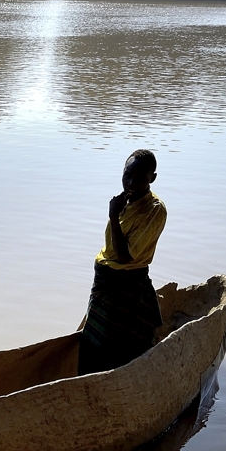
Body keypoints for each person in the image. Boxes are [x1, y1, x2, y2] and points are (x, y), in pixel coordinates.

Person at [77, 149, 168, 375]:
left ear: (152, 179)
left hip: (127, 283)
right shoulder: (123, 202)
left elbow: (125, 257)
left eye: (140, 178)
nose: (131, 182)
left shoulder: (154, 210)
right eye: (127, 175)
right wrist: (116, 213)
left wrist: (113, 217)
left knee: (125, 345)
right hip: (105, 282)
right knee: (92, 344)